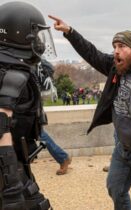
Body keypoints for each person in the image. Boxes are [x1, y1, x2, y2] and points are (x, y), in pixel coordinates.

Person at [49, 15, 131, 210]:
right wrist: (70, 32)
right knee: (115, 189)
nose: (116, 52)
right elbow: (91, 53)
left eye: (121, 47)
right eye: (114, 47)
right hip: (122, 147)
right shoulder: (116, 67)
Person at [0, 2, 56, 209]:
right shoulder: (13, 75)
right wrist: (12, 188)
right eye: (36, 33)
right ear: (21, 34)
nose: (40, 42)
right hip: (9, 170)